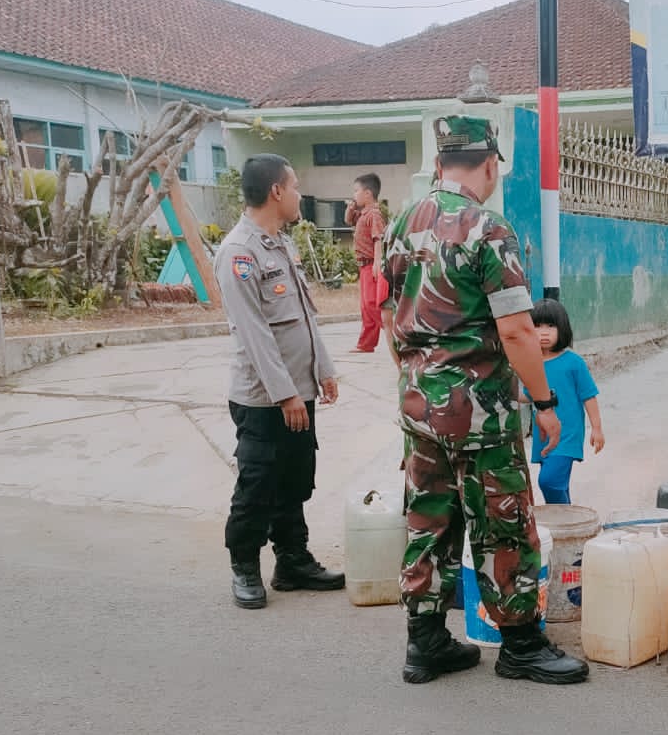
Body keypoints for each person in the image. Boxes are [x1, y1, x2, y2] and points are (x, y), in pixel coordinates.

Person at [383, 114, 588, 686]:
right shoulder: (488, 228)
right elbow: (519, 331)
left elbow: (387, 316)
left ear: (440, 162)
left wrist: (417, 382)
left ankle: (425, 642)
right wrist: (544, 404)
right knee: (503, 521)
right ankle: (520, 644)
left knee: (429, 518)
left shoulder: (400, 223)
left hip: (419, 405)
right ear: (491, 164)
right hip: (478, 412)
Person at [216, 153, 343, 609]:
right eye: (294, 186)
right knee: (258, 484)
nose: (298, 195)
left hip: (298, 391)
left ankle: (292, 561)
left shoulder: (281, 245)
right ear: (276, 191)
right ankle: (245, 566)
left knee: (295, 479)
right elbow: (254, 334)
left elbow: (304, 317)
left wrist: (323, 370)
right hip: (263, 399)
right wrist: (286, 394)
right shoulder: (239, 253)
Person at [529, 298, 603, 504]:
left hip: (567, 435)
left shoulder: (574, 362)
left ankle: (562, 517)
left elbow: (589, 396)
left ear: (562, 328)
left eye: (550, 326)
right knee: (559, 484)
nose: (544, 332)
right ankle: (567, 518)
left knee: (549, 481)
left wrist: (597, 428)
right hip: (543, 435)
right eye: (537, 326)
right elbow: (528, 395)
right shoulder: (531, 363)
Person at [347, 173, 388, 353]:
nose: (354, 195)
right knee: (365, 307)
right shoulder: (362, 213)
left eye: (356, 191)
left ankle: (396, 332)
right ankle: (366, 343)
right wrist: (350, 209)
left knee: (372, 303)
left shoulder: (374, 214)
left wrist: (378, 262)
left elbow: (378, 239)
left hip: (371, 264)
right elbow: (348, 220)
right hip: (363, 265)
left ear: (368, 194)